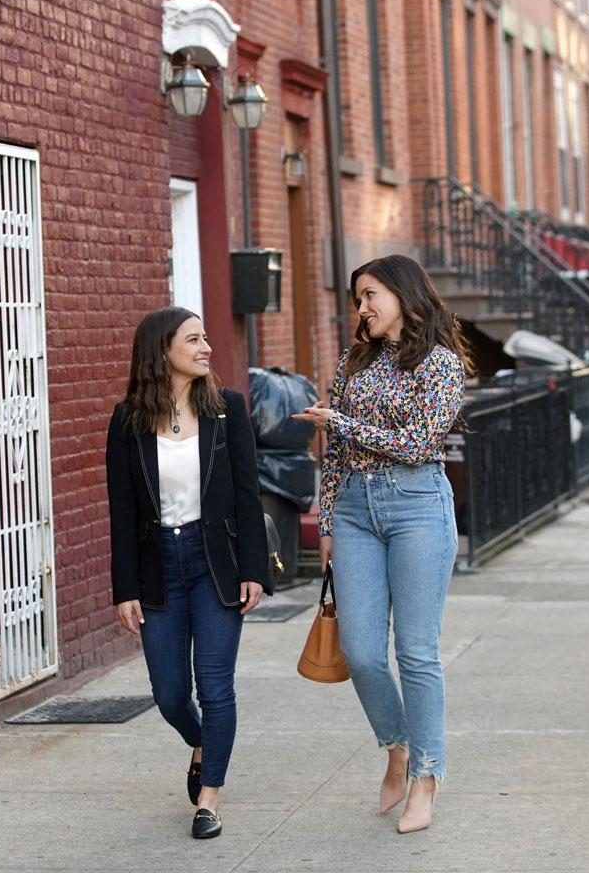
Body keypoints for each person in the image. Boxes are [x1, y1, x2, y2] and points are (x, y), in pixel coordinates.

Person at [292, 255, 470, 834]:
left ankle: (427, 773)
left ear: (401, 293)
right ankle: (396, 747)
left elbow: (419, 444)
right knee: (363, 650)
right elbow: (336, 454)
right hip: (355, 513)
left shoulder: (440, 364)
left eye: (370, 296)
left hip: (417, 505)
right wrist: (325, 524)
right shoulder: (353, 362)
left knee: (416, 651)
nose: (362, 309)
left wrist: (336, 422)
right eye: (358, 300)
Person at [105, 306, 271, 840]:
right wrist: (124, 588)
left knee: (216, 685)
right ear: (162, 350)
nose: (206, 348)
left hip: (213, 561)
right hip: (159, 568)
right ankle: (203, 741)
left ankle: (209, 798)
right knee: (170, 693)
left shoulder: (228, 410)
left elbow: (248, 495)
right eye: (193, 339)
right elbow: (123, 513)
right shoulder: (127, 420)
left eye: (205, 338)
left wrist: (254, 569)